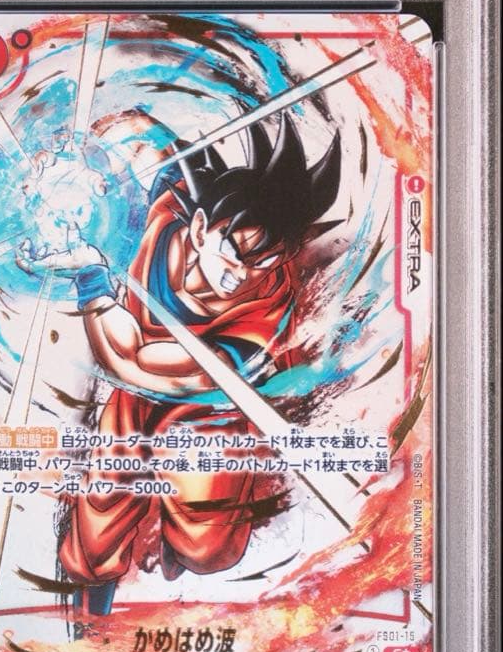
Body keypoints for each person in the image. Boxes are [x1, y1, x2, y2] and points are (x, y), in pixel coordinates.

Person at [18, 113, 341, 614]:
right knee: (98, 521)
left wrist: (91, 277)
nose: (242, 275)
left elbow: (131, 360)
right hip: (135, 398)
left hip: (207, 406)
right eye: (234, 252)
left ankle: (184, 541)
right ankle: (93, 604)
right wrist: (71, 157)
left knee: (205, 548)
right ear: (200, 228)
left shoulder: (263, 315)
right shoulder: (171, 207)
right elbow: (146, 138)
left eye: (262, 262)